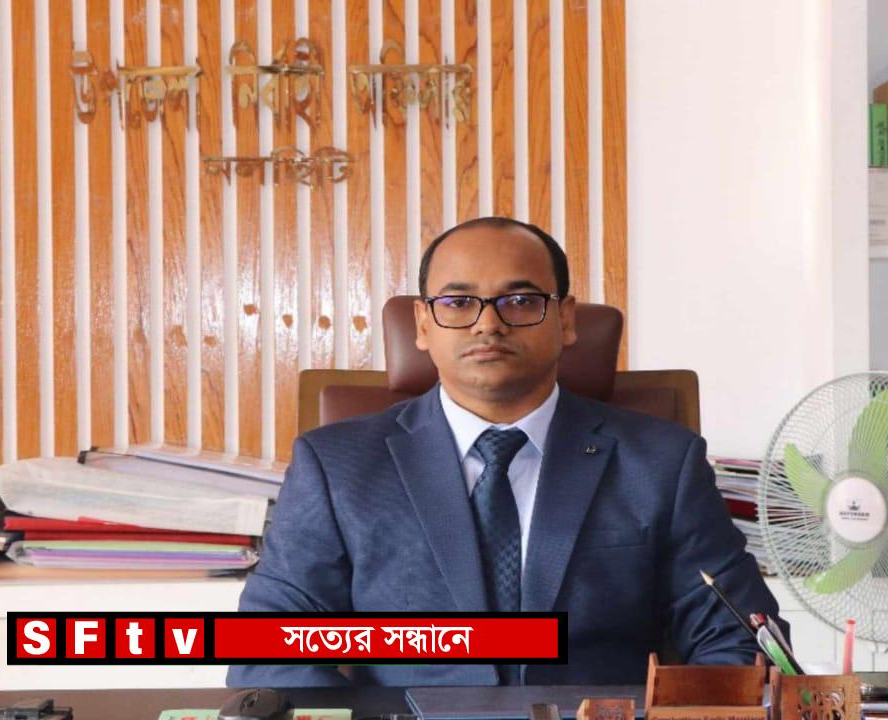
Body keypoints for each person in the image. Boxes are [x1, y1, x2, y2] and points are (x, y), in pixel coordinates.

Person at [226, 217, 782, 687]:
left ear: (565, 319)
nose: (488, 324)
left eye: (520, 300)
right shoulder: (337, 466)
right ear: (423, 324)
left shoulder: (663, 462)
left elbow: (738, 640)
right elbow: (269, 649)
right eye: (458, 302)